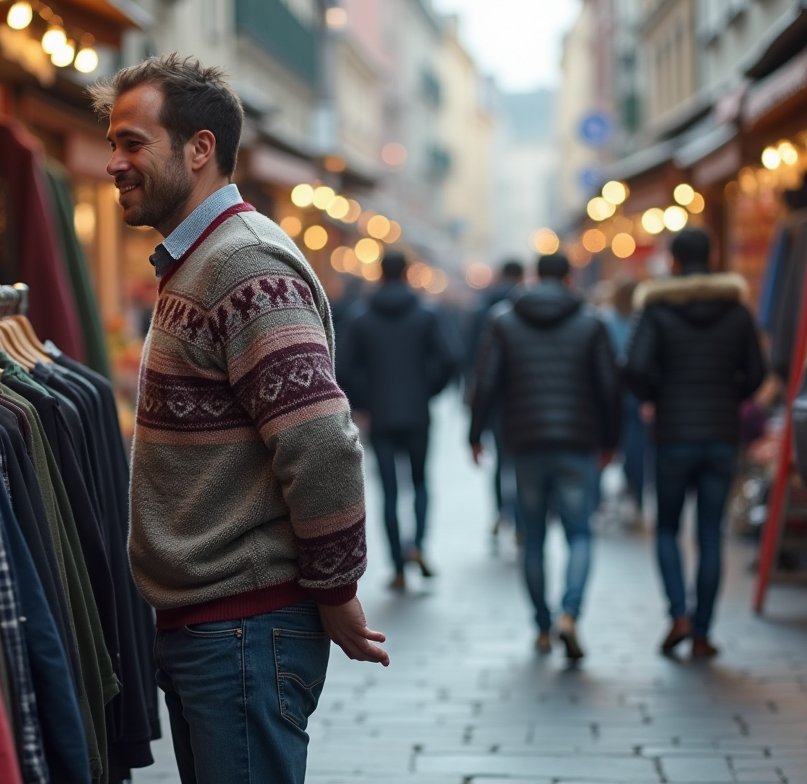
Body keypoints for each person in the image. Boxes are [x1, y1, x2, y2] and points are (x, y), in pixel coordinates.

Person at [89, 54, 389, 784]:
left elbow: (320, 441)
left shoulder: (242, 264)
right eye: (114, 143)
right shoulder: (201, 260)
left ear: (200, 148)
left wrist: (336, 588)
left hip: (244, 628)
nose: (114, 164)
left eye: (133, 142)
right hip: (219, 626)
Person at [468, 253, 620, 658]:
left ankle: (542, 625)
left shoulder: (505, 319)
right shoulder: (592, 322)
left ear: (536, 278)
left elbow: (486, 382)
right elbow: (609, 387)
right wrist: (611, 441)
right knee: (580, 534)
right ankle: (570, 613)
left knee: (532, 539)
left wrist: (475, 434)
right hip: (577, 443)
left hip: (526, 443)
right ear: (570, 279)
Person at [624, 227, 764, 660]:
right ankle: (703, 632)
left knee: (667, 527)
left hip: (672, 436)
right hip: (721, 435)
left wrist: (654, 397)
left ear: (674, 262)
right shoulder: (737, 312)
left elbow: (633, 367)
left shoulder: (657, 309)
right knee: (710, 535)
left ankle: (678, 614)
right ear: (714, 255)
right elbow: (756, 375)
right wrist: (728, 397)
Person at [343, 252, 460, 591]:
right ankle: (418, 545)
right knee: (421, 482)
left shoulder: (361, 317)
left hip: (380, 415)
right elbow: (451, 358)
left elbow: (344, 367)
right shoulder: (427, 314)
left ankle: (396, 566)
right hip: (416, 412)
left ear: (379, 274)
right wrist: (429, 390)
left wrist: (363, 401)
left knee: (390, 492)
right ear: (408, 274)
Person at [463, 260, 525, 537]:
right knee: (522, 461)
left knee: (501, 459)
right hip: (524, 393)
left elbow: (475, 354)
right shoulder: (526, 306)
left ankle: (502, 511)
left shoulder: (482, 307)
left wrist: (472, 400)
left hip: (497, 397)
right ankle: (521, 518)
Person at [602, 279, 651, 524]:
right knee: (636, 449)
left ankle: (598, 502)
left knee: (604, 444)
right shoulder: (642, 320)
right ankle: (636, 495)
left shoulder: (605, 320)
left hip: (610, 394)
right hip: (635, 396)